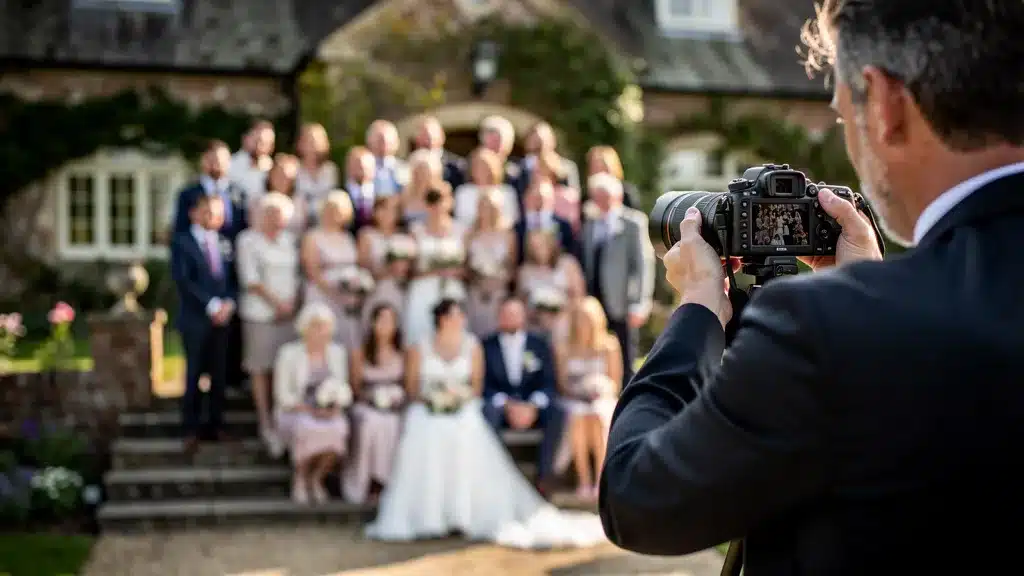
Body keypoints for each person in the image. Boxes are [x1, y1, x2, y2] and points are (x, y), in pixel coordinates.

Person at [599, 2, 1024, 574]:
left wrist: (698, 309)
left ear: (886, 106)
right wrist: (866, 292)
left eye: (845, 116)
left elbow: (638, 498)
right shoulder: (864, 316)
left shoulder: (824, 329)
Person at [366, 299, 605, 548]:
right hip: (428, 409)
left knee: (470, 426)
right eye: (455, 315)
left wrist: (458, 399)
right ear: (442, 319)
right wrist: (437, 400)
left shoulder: (473, 345)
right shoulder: (421, 348)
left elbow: (476, 388)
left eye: (461, 315)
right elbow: (413, 389)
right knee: (427, 428)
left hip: (466, 407)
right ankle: (428, 515)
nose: (460, 320)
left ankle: (477, 507)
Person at [170, 194, 236, 454]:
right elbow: (184, 281)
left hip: (222, 319)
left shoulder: (224, 243)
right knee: (195, 373)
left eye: (218, 213)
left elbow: (232, 280)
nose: (213, 217)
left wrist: (228, 303)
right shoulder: (182, 242)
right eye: (208, 211)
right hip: (195, 319)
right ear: (194, 213)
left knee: (219, 374)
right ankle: (191, 429)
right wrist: (211, 305)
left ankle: (216, 425)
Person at [235, 192, 300, 458]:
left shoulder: (289, 241)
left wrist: (290, 305)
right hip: (260, 314)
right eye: (270, 214)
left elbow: (296, 276)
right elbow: (251, 279)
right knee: (261, 368)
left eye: (280, 215)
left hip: (288, 315)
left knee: (282, 368)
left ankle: (283, 421)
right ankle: (265, 422)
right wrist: (277, 304)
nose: (275, 219)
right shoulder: (248, 241)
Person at [481, 296, 565, 496]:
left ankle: (544, 477)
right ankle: (496, 475)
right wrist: (507, 405)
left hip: (532, 404)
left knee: (558, 412)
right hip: (501, 406)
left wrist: (533, 406)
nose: (510, 318)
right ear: (499, 316)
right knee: (487, 413)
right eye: (506, 314)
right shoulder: (486, 346)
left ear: (523, 316)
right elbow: (484, 385)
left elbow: (548, 382)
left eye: (515, 314)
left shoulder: (539, 344)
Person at [578, 173, 654, 386]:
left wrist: (640, 303)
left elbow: (643, 265)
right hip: (595, 301)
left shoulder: (633, 223)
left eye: (605, 196)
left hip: (622, 301)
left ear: (617, 196)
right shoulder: (590, 224)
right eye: (597, 197)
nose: (601, 202)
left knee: (626, 354)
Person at [274, 302, 353, 505]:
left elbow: (343, 387)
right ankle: (300, 477)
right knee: (305, 427)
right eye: (315, 325)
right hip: (296, 410)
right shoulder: (288, 353)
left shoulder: (337, 353)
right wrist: (309, 409)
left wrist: (333, 407)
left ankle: (317, 477)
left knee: (340, 429)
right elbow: (282, 395)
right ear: (305, 327)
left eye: (324, 326)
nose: (320, 331)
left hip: (328, 412)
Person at [555, 297, 620, 502]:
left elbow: (615, 383)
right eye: (580, 319)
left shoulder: (609, 345)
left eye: (588, 319)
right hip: (574, 399)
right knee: (577, 416)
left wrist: (599, 389)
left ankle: (601, 480)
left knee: (598, 415)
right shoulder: (564, 348)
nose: (584, 324)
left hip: (602, 399)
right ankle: (584, 480)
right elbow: (562, 384)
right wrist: (580, 391)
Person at [342, 304, 405, 504]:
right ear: (373, 323)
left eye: (390, 320)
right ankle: (368, 481)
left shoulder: (402, 352)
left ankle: (387, 482)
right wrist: (373, 398)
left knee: (393, 424)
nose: (385, 324)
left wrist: (394, 400)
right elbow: (355, 388)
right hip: (366, 405)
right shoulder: (360, 352)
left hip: (394, 407)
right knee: (370, 422)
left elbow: (407, 386)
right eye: (381, 319)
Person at [403, 181, 467, 345]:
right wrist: (434, 271)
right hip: (423, 290)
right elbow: (409, 269)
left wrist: (454, 272)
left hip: (452, 288)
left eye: (441, 199)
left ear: (450, 201)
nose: (437, 205)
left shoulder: (462, 230)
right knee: (420, 332)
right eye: (432, 200)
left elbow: (467, 267)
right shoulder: (415, 230)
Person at [301, 191, 361, 349]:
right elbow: (311, 271)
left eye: (338, 210)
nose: (333, 214)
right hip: (322, 294)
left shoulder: (347, 237)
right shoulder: (312, 236)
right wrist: (335, 292)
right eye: (330, 209)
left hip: (346, 299)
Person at [517, 228, 584, 346]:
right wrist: (536, 315)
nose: (538, 250)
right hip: (534, 323)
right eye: (534, 247)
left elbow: (579, 296)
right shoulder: (525, 270)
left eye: (541, 245)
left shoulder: (568, 264)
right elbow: (521, 301)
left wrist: (561, 313)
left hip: (563, 321)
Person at [465, 187, 516, 337]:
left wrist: (499, 280)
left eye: (490, 207)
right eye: (483, 206)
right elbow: (466, 265)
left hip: (499, 292)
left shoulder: (508, 235)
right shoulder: (470, 234)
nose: (486, 211)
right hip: (476, 293)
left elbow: (512, 266)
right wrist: (478, 278)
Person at [173, 139, 248, 240]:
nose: (216, 164)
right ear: (203, 160)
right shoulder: (188, 194)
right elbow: (181, 229)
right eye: (211, 160)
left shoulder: (239, 193)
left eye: (221, 160)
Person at [515, 176, 576, 265]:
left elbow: (570, 252)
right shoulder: (518, 227)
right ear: (526, 198)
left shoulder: (564, 225)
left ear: (551, 198)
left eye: (542, 197)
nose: (538, 201)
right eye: (534, 197)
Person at [453, 147, 520, 228]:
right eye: (477, 166)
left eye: (485, 165)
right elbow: (460, 219)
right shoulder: (463, 191)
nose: (481, 170)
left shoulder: (507, 192)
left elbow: (512, 218)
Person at [295, 122, 339, 224]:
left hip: (325, 221)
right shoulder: (294, 168)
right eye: (308, 141)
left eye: (315, 141)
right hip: (299, 221)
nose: (312, 145)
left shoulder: (330, 170)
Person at [412, 114, 466, 189]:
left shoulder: (457, 166)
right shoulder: (410, 165)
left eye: (431, 136)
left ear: (442, 136)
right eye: (423, 135)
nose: (427, 140)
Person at [229, 119, 275, 202]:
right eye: (256, 140)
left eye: (265, 143)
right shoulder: (229, 166)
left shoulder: (273, 170)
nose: (259, 146)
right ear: (244, 139)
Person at [584, 146, 640, 211]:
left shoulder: (627, 193)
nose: (600, 172)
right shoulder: (586, 197)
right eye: (595, 167)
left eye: (603, 166)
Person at [399, 149, 443, 226]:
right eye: (418, 170)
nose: (420, 175)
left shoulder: (440, 195)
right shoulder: (405, 194)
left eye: (424, 171)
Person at [342, 146, 378, 232]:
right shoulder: (339, 194)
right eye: (356, 164)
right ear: (348, 167)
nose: (361, 168)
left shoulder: (382, 195)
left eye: (366, 166)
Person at [366, 119, 406, 197]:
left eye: (388, 140)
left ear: (396, 142)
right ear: (369, 141)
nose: (384, 143)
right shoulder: (362, 168)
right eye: (379, 139)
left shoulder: (405, 169)